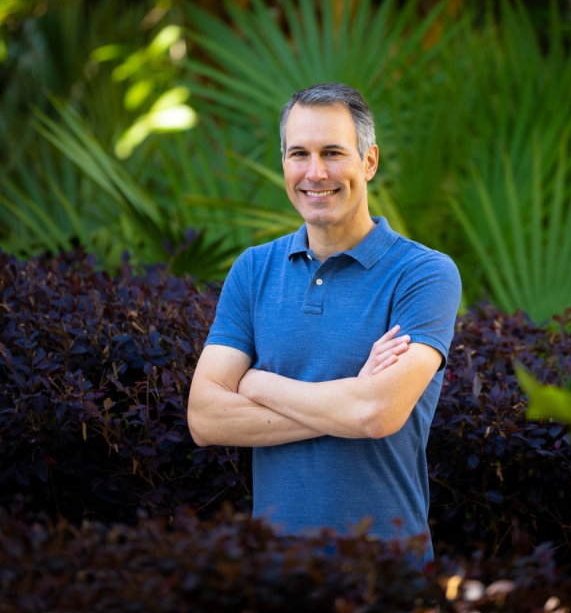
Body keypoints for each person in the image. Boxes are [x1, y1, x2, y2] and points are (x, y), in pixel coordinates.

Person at [187, 83, 461, 562]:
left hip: (386, 575)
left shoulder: (424, 274)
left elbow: (377, 414)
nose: (315, 173)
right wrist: (348, 401)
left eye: (333, 153)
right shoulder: (253, 270)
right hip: (276, 578)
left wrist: (256, 383)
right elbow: (205, 418)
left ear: (369, 162)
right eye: (299, 154)